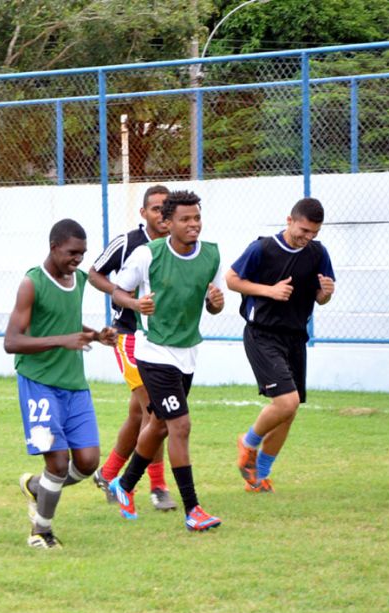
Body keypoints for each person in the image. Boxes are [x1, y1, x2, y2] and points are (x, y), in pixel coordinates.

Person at [107, 190, 226, 532]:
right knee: (180, 426)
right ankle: (193, 509)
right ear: (168, 222)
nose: (193, 225)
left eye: (197, 218)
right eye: (185, 219)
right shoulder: (148, 255)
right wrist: (135, 306)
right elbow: (119, 290)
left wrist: (215, 302)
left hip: (187, 352)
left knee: (159, 425)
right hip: (154, 352)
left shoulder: (212, 255)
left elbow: (214, 306)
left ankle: (124, 485)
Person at [6, 219, 116, 549]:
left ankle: (39, 487)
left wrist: (96, 335)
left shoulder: (79, 280)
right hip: (39, 383)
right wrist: (62, 340)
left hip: (74, 384)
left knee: (88, 462)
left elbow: (65, 322)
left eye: (82, 254)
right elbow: (12, 341)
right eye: (72, 253)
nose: (77, 260)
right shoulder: (32, 283)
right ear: (54, 247)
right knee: (57, 461)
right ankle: (41, 531)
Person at [225, 197, 335, 492]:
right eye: (303, 230)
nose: (307, 238)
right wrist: (268, 291)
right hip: (262, 334)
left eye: (313, 233)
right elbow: (232, 279)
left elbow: (321, 297)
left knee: (290, 410)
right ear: (289, 221)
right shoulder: (262, 249)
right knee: (287, 401)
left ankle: (259, 477)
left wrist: (326, 293)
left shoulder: (317, 253)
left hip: (295, 336)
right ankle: (247, 443)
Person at [88, 184, 177, 511]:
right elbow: (94, 273)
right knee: (157, 410)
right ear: (144, 213)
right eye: (156, 209)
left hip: (165, 339)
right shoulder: (129, 242)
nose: (162, 215)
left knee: (140, 412)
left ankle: (108, 473)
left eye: (167, 209)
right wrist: (125, 297)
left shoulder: (177, 245)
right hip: (129, 336)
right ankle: (157, 486)